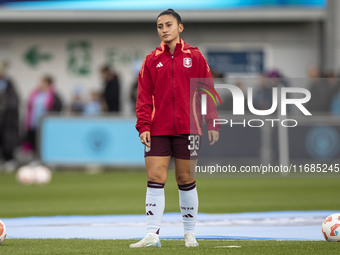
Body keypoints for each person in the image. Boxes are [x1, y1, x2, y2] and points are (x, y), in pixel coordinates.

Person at [131, 9, 219, 248]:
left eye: (169, 25)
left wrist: (212, 122)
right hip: (157, 128)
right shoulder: (151, 60)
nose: (164, 29)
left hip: (189, 128)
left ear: (180, 27)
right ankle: (152, 235)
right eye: (160, 26)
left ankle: (189, 234)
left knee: (185, 178)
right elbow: (143, 97)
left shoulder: (196, 56)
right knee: (155, 177)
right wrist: (143, 126)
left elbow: (208, 91)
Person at [24, 75, 63, 153]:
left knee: (44, 141)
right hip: (34, 122)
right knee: (33, 140)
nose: (40, 84)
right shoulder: (35, 94)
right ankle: (35, 156)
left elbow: (58, 107)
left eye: (43, 82)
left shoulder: (53, 95)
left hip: (46, 124)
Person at [0, 61, 20, 170]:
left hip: (7, 120)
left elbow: (14, 102)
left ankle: (9, 160)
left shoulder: (9, 84)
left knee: (8, 141)